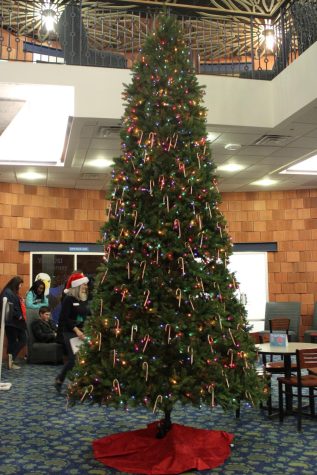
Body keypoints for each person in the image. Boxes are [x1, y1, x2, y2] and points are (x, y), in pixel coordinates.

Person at [54, 272, 91, 392]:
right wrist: (77, 331)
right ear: (78, 286)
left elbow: (86, 315)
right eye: (84, 284)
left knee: (81, 358)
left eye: (86, 285)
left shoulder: (84, 299)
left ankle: (62, 378)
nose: (86, 287)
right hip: (70, 332)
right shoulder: (68, 299)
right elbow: (65, 319)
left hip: (82, 331)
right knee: (74, 358)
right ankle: (65, 380)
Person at [0, 276, 27, 370]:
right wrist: (18, 315)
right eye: (20, 284)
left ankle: (10, 361)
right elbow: (7, 306)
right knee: (15, 341)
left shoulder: (10, 292)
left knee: (21, 340)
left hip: (16, 322)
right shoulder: (8, 292)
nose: (20, 286)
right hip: (12, 322)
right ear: (15, 284)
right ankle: (10, 362)